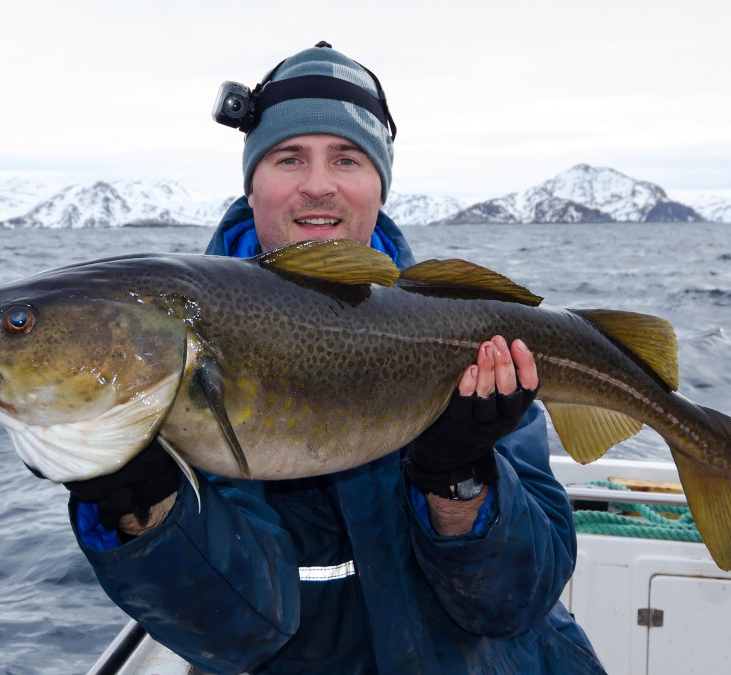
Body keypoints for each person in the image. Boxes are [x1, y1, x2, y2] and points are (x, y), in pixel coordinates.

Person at [61, 43, 606, 674]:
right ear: (253, 182)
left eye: (346, 158)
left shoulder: (473, 335)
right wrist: (140, 504)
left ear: (379, 183)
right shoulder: (176, 347)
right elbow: (238, 632)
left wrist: (460, 478)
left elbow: (516, 601)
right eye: (289, 157)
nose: (318, 185)